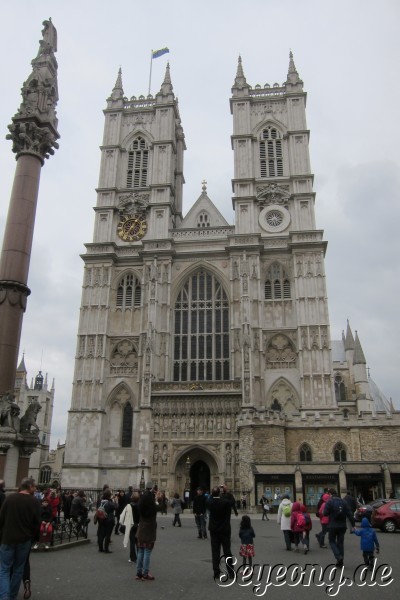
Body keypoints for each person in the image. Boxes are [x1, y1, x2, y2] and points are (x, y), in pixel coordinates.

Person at [0, 477, 40, 600]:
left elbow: (1, 519)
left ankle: (4, 596)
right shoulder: (34, 501)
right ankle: (11, 596)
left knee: (4, 570)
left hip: (7, 539)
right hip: (24, 540)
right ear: (29, 487)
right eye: (34, 486)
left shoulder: (10, 498)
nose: (35, 488)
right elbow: (37, 524)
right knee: (18, 569)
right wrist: (34, 539)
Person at [135, 482, 162, 581]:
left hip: (141, 528)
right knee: (147, 552)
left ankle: (138, 573)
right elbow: (159, 508)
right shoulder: (151, 502)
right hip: (149, 529)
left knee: (140, 551)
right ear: (152, 490)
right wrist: (160, 499)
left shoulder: (141, 500)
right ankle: (145, 573)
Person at [207, 486, 235, 581]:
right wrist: (227, 491)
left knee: (215, 552)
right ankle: (231, 572)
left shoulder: (210, 503)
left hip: (214, 530)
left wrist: (213, 493)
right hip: (225, 530)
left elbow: (209, 499)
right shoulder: (226, 502)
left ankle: (216, 572)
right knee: (227, 551)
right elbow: (233, 502)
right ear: (220, 493)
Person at [323, 488, 355, 567]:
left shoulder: (329, 501)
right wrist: (353, 525)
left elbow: (325, 513)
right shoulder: (343, 501)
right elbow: (350, 514)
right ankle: (340, 562)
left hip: (332, 525)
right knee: (340, 543)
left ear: (330, 494)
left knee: (332, 541)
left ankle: (338, 557)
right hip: (342, 526)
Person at [120, 491, 140, 563]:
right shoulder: (139, 506)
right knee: (138, 542)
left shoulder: (129, 506)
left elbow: (123, 515)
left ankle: (133, 558)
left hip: (130, 525)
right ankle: (139, 556)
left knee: (132, 542)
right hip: (137, 525)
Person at [97, 488, 117, 553]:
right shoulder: (110, 503)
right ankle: (106, 549)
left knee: (102, 534)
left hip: (102, 519)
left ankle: (100, 548)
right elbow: (116, 507)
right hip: (109, 520)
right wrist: (115, 501)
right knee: (108, 534)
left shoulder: (101, 502)